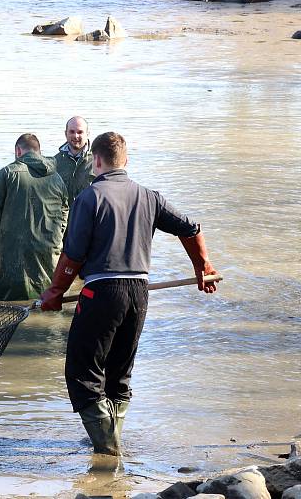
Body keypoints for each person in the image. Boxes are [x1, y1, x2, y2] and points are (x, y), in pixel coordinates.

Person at [39, 131, 218, 456]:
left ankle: (108, 447)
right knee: (119, 373)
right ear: (126, 161)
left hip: (100, 292)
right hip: (139, 292)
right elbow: (191, 228)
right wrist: (202, 268)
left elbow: (73, 255)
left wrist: (54, 292)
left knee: (81, 372)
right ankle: (108, 442)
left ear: (96, 160)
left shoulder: (89, 198)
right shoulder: (150, 196)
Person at [0, 134, 68, 301]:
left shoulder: (8, 173)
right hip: (49, 250)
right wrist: (57, 235)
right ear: (39, 152)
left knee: (10, 302)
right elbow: (65, 210)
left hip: (14, 254)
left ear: (18, 151)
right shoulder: (56, 177)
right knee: (45, 300)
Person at [54, 116, 95, 204]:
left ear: (87, 134)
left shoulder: (97, 160)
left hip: (88, 215)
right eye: (72, 132)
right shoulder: (55, 162)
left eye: (80, 132)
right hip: (63, 216)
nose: (75, 136)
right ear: (66, 133)